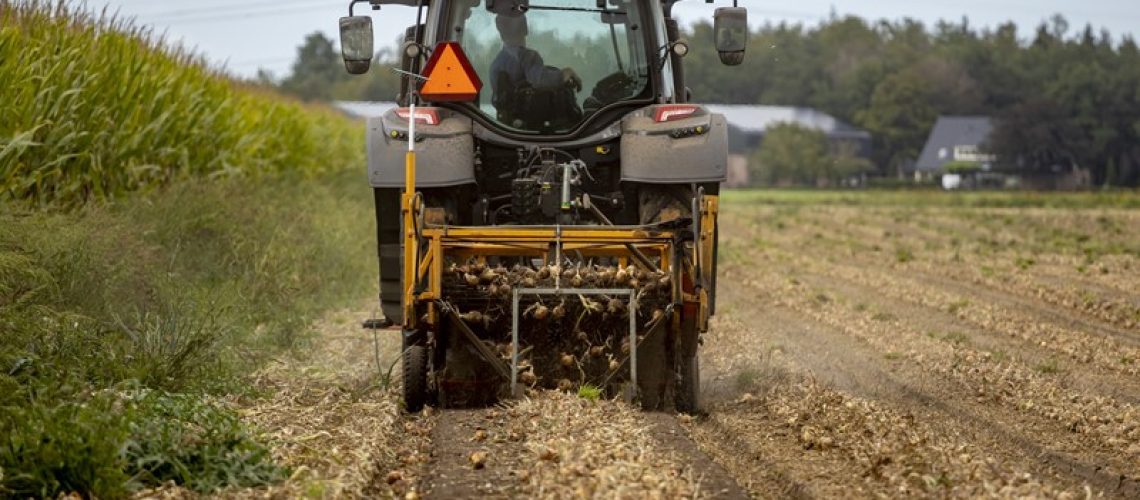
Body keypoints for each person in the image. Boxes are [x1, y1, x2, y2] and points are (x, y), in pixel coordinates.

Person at [490, 14, 583, 128]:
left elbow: (497, 100)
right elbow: (539, 80)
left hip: (507, 128)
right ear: (525, 29)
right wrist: (566, 73)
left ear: (501, 32)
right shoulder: (529, 57)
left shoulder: (496, 65)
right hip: (533, 127)